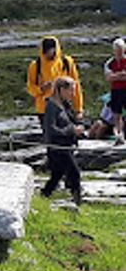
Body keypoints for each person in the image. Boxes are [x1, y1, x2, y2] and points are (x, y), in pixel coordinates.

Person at [26, 36, 83, 133]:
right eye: (47, 51)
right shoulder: (35, 66)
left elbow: (76, 87)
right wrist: (41, 89)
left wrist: (78, 109)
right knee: (51, 133)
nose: (49, 54)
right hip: (44, 108)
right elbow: (30, 88)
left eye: (52, 51)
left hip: (65, 106)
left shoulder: (67, 62)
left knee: (69, 132)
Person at [41, 76, 83, 204]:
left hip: (66, 145)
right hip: (57, 148)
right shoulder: (51, 106)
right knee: (74, 173)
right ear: (61, 90)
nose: (73, 94)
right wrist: (71, 130)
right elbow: (51, 130)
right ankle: (77, 202)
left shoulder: (65, 105)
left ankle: (44, 195)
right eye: (71, 90)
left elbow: (71, 121)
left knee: (57, 175)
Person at [103, 37, 126, 145]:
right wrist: (121, 75)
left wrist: (115, 76)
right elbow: (109, 78)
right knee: (117, 114)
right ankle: (119, 135)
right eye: (117, 51)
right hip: (116, 90)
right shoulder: (110, 63)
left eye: (121, 50)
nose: (119, 53)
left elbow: (113, 76)